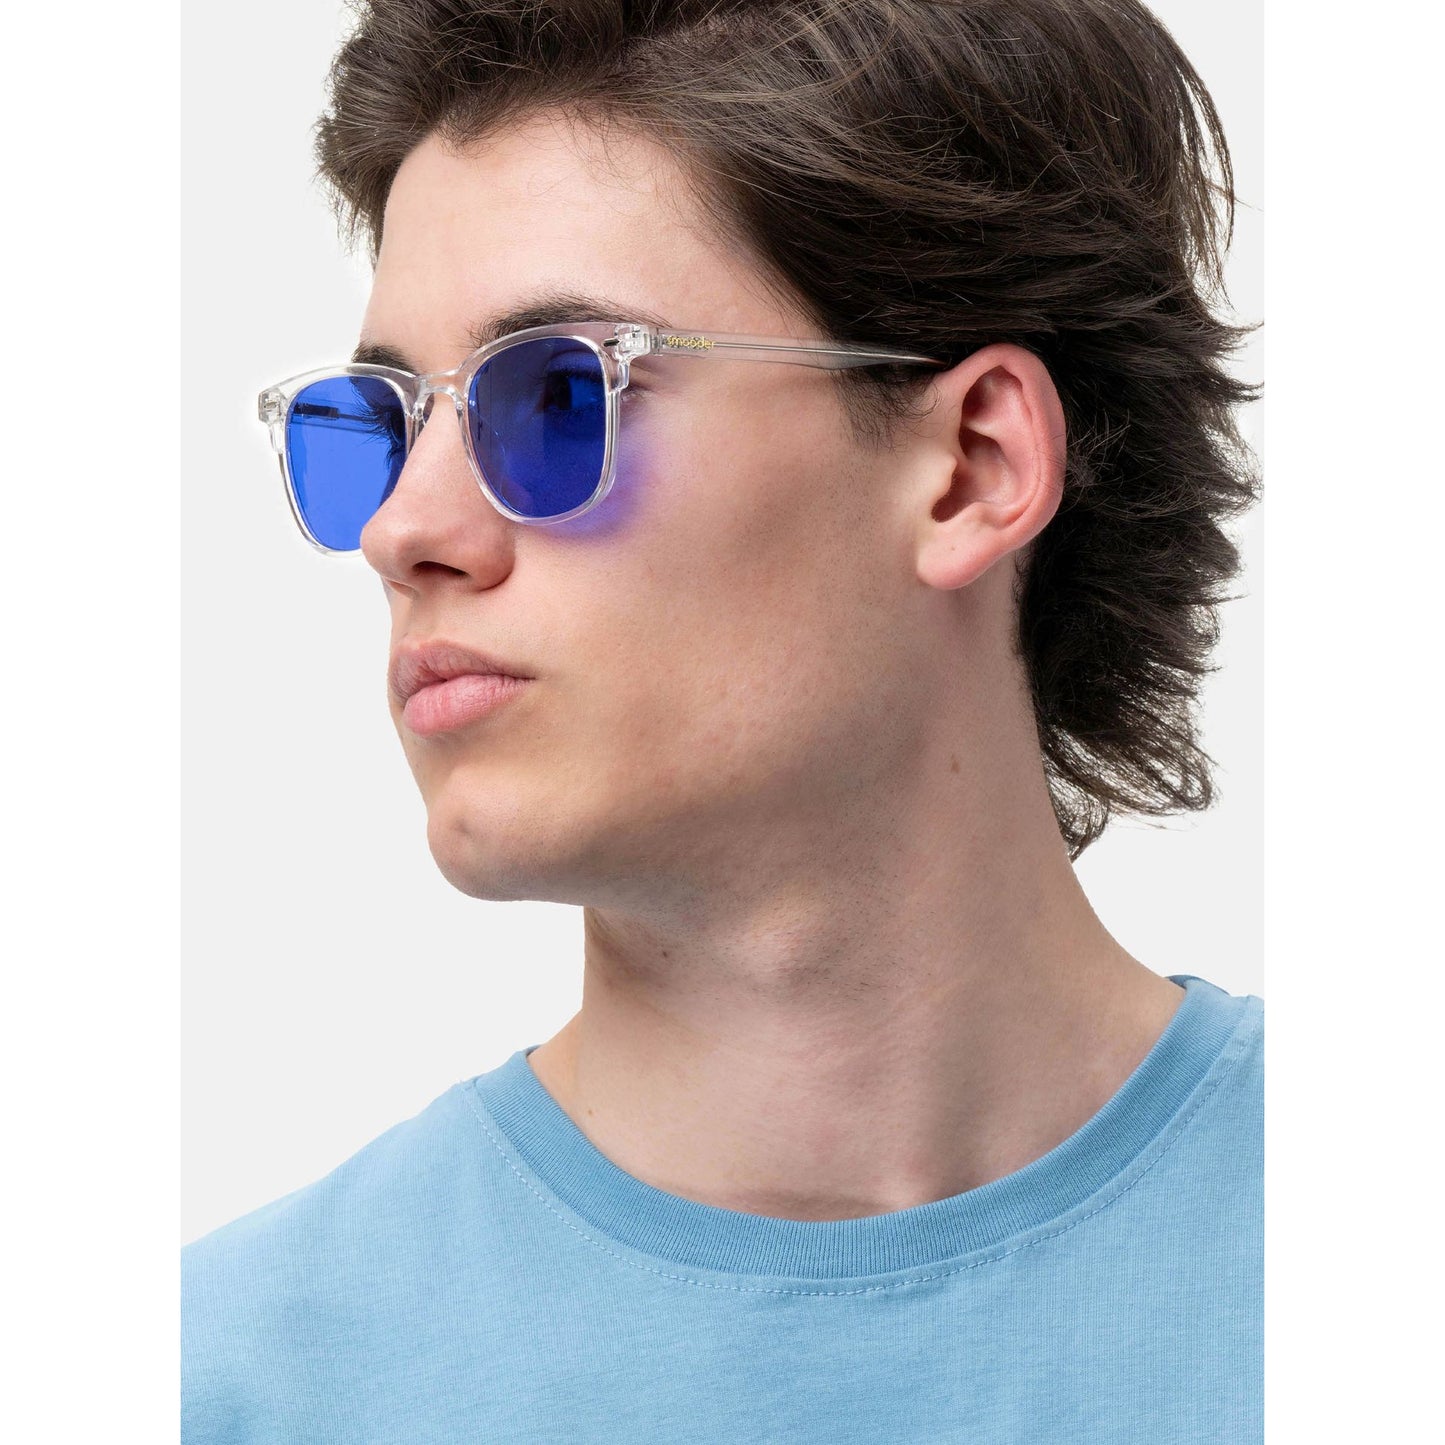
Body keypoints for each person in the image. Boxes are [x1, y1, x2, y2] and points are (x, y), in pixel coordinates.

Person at [183, 0, 1263, 1439]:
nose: (404, 529)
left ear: (971, 465)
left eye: (557, 397)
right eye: (380, 424)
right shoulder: (213, 1386)